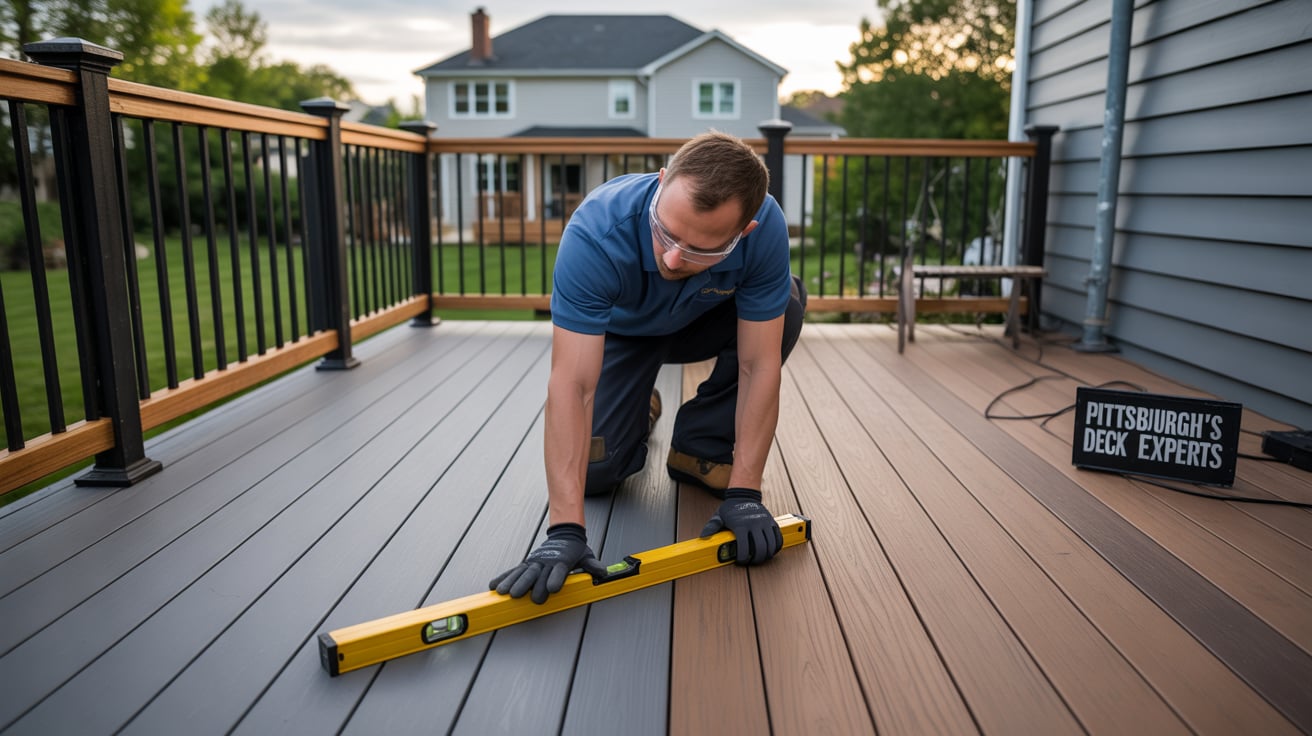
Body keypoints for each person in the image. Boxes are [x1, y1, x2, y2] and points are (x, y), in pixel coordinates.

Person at [489, 131, 807, 604]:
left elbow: (759, 366)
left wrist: (745, 493)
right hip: (623, 334)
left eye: (700, 248)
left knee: (788, 302)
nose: (672, 258)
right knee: (597, 473)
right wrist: (564, 529)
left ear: (745, 232)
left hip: (704, 318)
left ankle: (701, 444)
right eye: (666, 233)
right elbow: (573, 386)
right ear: (662, 183)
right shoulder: (596, 231)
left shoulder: (765, 229)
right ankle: (640, 403)